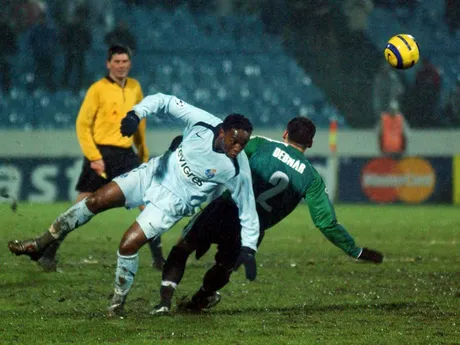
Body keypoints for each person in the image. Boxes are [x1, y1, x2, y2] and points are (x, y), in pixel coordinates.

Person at [7, 93, 260, 318]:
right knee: (93, 200)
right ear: (221, 132)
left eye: (243, 144)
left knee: (127, 244)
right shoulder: (203, 121)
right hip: (152, 174)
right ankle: (39, 246)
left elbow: (248, 209)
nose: (238, 148)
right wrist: (135, 114)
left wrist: (248, 249)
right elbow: (164, 100)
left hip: (171, 204)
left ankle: (117, 305)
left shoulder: (237, 169)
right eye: (234, 141)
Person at [151, 117, 384, 315]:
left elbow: (223, 149)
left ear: (285, 133)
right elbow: (326, 223)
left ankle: (164, 303)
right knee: (224, 267)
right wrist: (355, 250)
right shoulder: (312, 178)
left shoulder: (260, 145)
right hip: (252, 229)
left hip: (225, 209)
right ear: (310, 143)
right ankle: (201, 299)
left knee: (184, 247)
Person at [35, 44, 164, 272]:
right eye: (117, 62)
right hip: (102, 154)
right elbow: (82, 125)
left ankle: (159, 259)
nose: (121, 66)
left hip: (126, 155)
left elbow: (140, 124)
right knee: (82, 205)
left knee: (148, 203)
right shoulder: (97, 89)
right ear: (108, 64)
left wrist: (142, 154)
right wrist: (94, 157)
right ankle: (49, 253)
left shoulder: (135, 87)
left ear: (129, 63)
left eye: (125, 62)